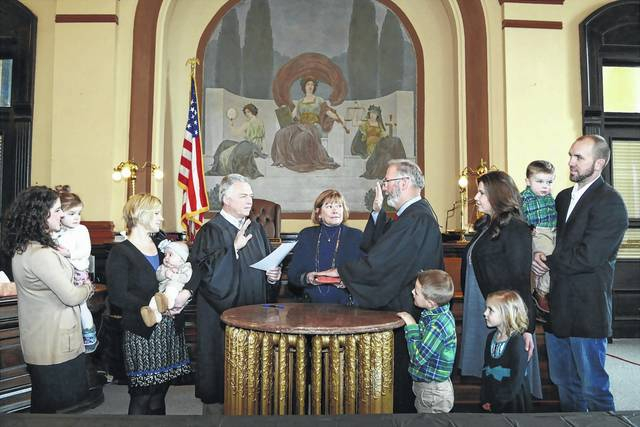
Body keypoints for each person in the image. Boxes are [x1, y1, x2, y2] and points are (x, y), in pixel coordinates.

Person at [313, 159, 444, 413]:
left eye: (387, 181)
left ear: (404, 183)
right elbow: (382, 248)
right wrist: (377, 211)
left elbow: (383, 262)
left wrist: (343, 273)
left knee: (398, 382)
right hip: (403, 303)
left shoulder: (416, 217)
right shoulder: (412, 215)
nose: (384, 187)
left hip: (405, 308)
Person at [532, 135, 628, 412]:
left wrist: (548, 261)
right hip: (556, 305)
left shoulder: (611, 202)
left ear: (599, 163)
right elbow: (557, 242)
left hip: (587, 308)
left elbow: (590, 257)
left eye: (579, 157)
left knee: (593, 386)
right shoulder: (562, 198)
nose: (571, 162)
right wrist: (539, 255)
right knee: (563, 382)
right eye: (571, 155)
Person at [184, 173, 281, 414]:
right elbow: (206, 277)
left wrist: (272, 277)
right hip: (222, 320)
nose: (250, 200)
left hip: (254, 316)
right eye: (243, 195)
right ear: (226, 199)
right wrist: (233, 250)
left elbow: (265, 264)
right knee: (222, 381)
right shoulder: (211, 231)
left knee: (252, 382)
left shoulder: (256, 229)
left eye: (251, 195)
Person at [1, 186, 93, 413]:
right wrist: (87, 287)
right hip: (55, 345)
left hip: (44, 340)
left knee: (48, 407)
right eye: (57, 210)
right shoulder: (41, 254)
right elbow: (71, 296)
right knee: (61, 409)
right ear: (41, 214)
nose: (62, 215)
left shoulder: (26, 248)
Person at [458, 170, 542, 401]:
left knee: (507, 377)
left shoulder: (515, 228)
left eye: (482, 192)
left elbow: (519, 279)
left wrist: (526, 327)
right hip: (484, 303)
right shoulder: (488, 224)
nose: (476, 197)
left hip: (505, 311)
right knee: (490, 373)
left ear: (498, 195)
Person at [106, 194, 192, 415]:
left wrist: (183, 294)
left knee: (160, 394)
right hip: (142, 332)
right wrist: (157, 303)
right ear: (139, 214)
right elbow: (117, 296)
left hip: (169, 331)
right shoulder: (121, 251)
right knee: (142, 396)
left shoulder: (163, 244)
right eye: (156, 213)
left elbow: (189, 269)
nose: (161, 218)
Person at [288, 189, 363, 304]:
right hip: (310, 307)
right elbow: (293, 275)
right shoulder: (306, 235)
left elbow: (365, 273)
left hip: (346, 307)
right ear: (318, 212)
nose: (335, 211)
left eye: (339, 206)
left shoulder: (356, 236)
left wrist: (348, 281)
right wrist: (307, 277)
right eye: (329, 207)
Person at [396, 269, 456, 414]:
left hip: (433, 392)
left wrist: (411, 326)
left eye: (416, 292)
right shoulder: (434, 314)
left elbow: (418, 357)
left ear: (430, 303)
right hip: (429, 388)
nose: (412, 292)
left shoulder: (438, 325)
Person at [54, 186, 98, 353]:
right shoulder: (56, 232)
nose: (77, 218)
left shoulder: (81, 230)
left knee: (81, 306)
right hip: (62, 274)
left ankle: (89, 336)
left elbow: (85, 251)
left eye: (79, 213)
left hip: (78, 273)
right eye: (72, 214)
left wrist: (68, 253)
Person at [271, 77, 347, 173]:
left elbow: (328, 112)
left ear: (314, 87)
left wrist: (339, 118)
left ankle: (302, 161)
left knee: (304, 136)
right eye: (308, 84)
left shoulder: (319, 100)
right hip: (301, 125)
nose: (310, 86)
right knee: (281, 133)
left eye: (312, 84)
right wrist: (284, 111)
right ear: (304, 87)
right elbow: (292, 116)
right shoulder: (300, 101)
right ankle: (283, 160)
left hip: (313, 126)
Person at [481, 290, 533, 413]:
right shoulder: (490, 337)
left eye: (490, 310)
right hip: (493, 394)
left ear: (506, 314)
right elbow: (486, 369)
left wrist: (498, 402)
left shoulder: (517, 342)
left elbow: (516, 379)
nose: (485, 313)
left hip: (512, 400)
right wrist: (485, 397)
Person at [519, 161, 557, 319]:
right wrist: (527, 227)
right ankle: (541, 293)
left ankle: (543, 291)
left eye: (549, 182)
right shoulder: (524, 198)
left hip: (553, 231)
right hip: (538, 232)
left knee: (557, 261)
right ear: (528, 181)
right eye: (540, 181)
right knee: (548, 261)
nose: (545, 186)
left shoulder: (549, 197)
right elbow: (518, 216)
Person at [207, 103, 266, 179]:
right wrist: (260, 149)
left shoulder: (248, 123)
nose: (246, 114)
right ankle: (216, 164)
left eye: (248, 112)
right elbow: (263, 138)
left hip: (248, 145)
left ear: (252, 111)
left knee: (225, 145)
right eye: (245, 112)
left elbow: (235, 133)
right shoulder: (260, 122)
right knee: (226, 143)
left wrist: (231, 123)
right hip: (256, 146)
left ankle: (216, 166)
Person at [140, 241, 192, 327]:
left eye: (170, 255)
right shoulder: (163, 267)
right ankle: (154, 316)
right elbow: (158, 276)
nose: (166, 258)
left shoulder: (185, 266)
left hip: (175, 290)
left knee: (171, 290)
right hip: (161, 292)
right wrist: (164, 274)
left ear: (181, 258)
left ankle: (168, 303)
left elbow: (186, 277)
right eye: (165, 255)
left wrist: (173, 275)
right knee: (154, 300)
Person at [350, 105, 407, 179]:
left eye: (375, 114)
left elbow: (384, 135)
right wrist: (356, 110)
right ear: (369, 114)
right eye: (372, 113)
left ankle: (403, 166)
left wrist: (386, 136)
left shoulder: (379, 124)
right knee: (386, 153)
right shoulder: (365, 123)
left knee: (396, 141)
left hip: (380, 143)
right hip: (372, 145)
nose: (373, 115)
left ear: (378, 115)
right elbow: (354, 123)